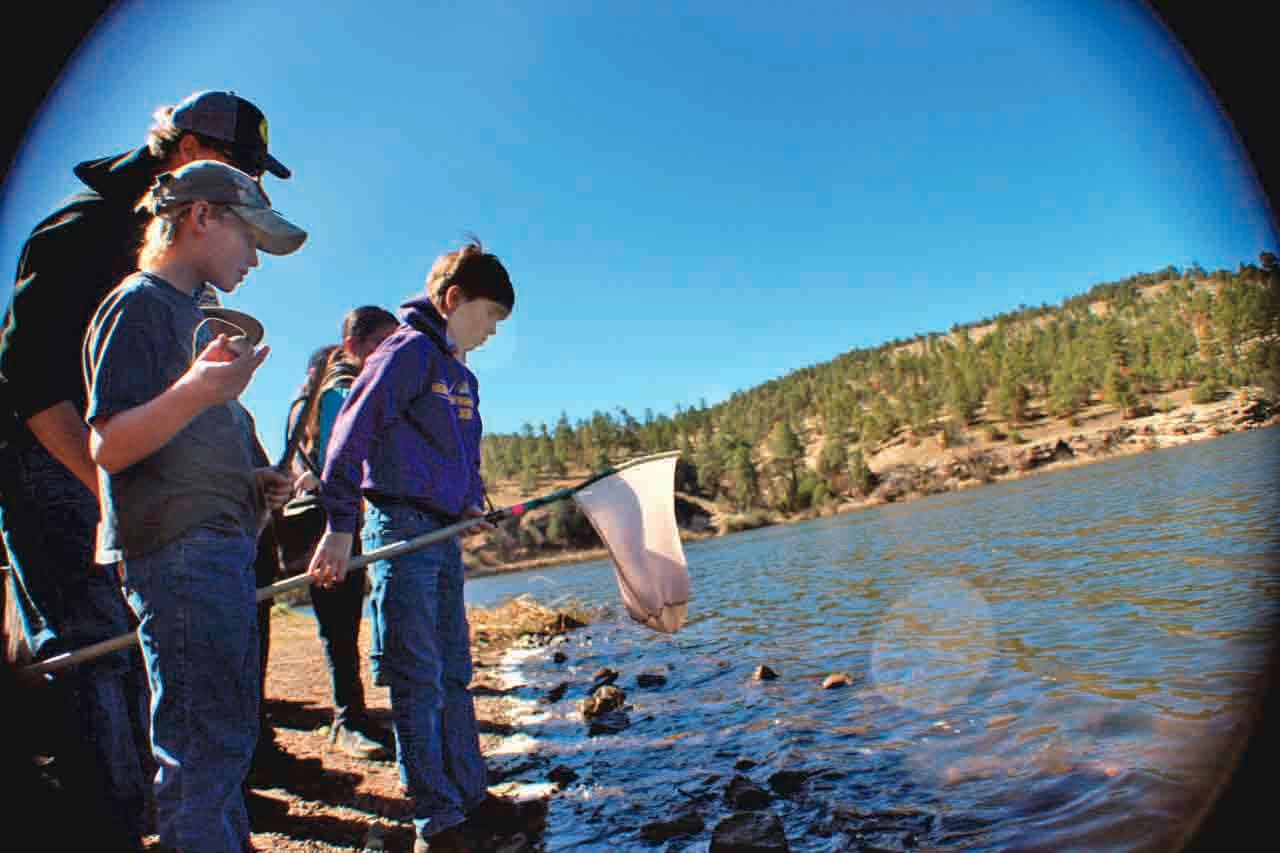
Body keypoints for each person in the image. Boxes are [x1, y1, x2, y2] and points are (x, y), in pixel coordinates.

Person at [0, 88, 291, 851]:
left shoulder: (187, 290)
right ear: (191, 155)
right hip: (56, 467)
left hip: (168, 497)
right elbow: (31, 382)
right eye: (242, 171)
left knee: (176, 688)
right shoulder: (81, 235)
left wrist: (244, 479)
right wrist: (113, 494)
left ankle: (208, 810)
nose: (252, 192)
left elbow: (201, 404)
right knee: (98, 662)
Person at [81, 159, 306, 852]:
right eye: (251, 238)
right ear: (201, 216)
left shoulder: (193, 321)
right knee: (201, 752)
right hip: (180, 555)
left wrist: (258, 483)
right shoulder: (140, 303)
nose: (255, 261)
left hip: (220, 550)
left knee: (224, 743)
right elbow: (110, 444)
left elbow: (192, 446)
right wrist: (202, 392)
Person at [308, 240, 515, 852]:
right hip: (398, 531)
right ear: (453, 301)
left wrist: (471, 504)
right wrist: (340, 524)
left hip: (443, 538)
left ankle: (471, 799)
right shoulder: (406, 353)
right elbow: (349, 434)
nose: (492, 333)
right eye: (488, 318)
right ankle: (438, 820)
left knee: (454, 671)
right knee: (417, 676)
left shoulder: (462, 376)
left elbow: (462, 457)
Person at [286, 306, 399, 760]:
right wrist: (343, 522)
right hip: (327, 517)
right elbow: (342, 464)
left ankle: (354, 711)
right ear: (354, 346)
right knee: (339, 620)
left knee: (346, 616)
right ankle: (348, 720)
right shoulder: (342, 390)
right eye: (380, 344)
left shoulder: (320, 389)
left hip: (319, 515)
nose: (388, 353)